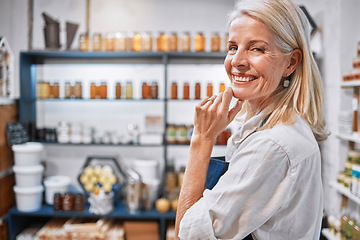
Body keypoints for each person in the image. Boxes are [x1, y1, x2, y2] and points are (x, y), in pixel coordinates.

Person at [175, 0, 328, 239]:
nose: (237, 61)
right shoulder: (271, 128)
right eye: (233, 47)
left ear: (291, 62)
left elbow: (186, 235)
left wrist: (201, 140)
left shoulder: (272, 146)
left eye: (257, 49)